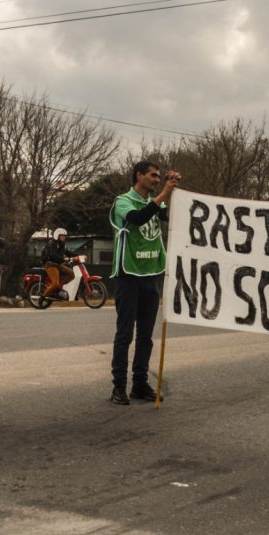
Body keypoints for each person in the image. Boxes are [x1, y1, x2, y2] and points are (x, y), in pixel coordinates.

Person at [108, 160, 179, 405]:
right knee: (125, 334)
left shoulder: (156, 202)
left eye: (159, 176)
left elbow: (169, 217)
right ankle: (118, 386)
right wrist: (163, 194)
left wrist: (173, 190)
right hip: (129, 276)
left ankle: (140, 383)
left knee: (146, 335)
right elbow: (137, 218)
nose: (157, 180)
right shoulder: (123, 201)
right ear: (139, 175)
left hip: (151, 275)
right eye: (153, 175)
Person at [41, 228, 77, 300]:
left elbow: (68, 252)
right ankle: (42, 297)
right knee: (55, 284)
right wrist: (64, 259)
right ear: (56, 235)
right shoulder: (52, 243)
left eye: (64, 236)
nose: (63, 237)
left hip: (58, 265)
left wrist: (78, 255)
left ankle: (58, 288)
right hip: (50, 265)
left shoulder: (62, 244)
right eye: (61, 236)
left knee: (71, 274)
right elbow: (53, 255)